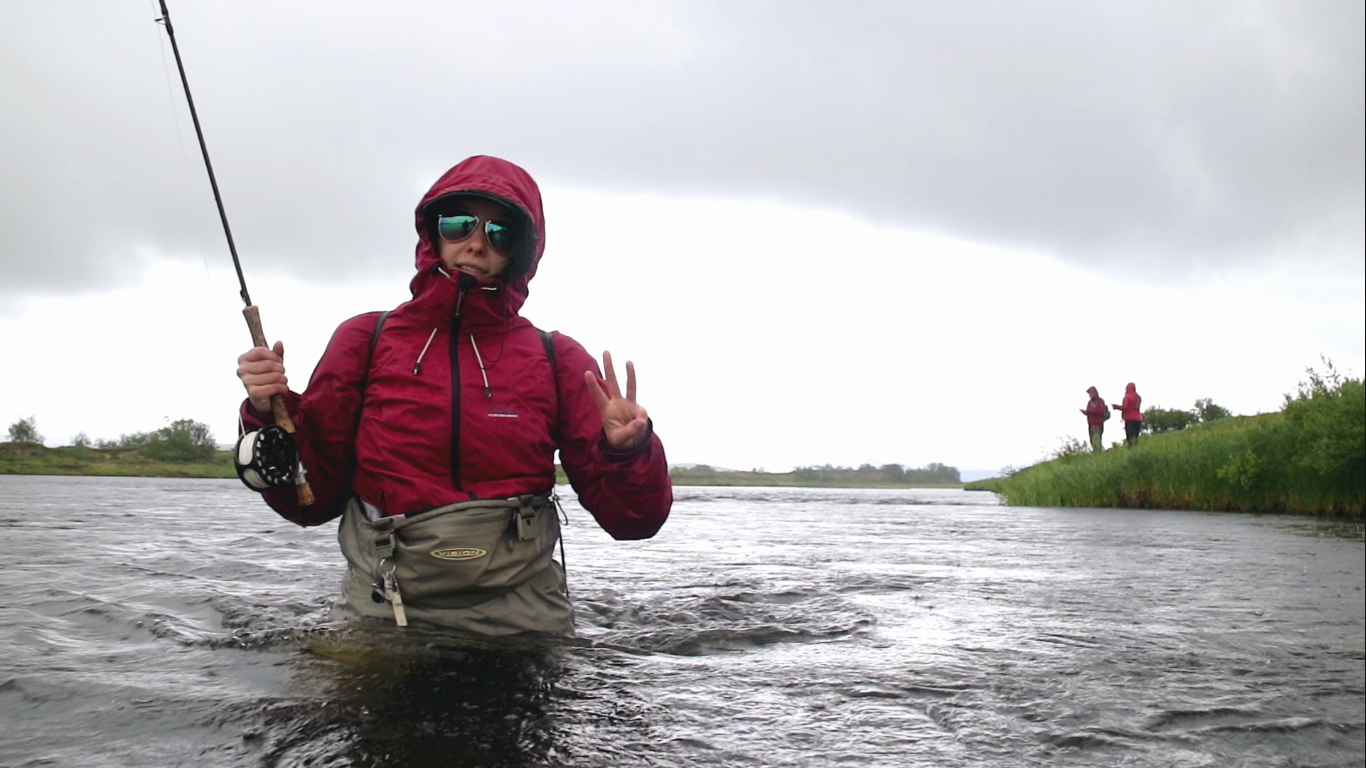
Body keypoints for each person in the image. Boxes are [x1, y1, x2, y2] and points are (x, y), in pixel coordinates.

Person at [234, 155, 672, 636]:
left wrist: (628, 452)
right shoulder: (364, 339)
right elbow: (310, 503)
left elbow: (633, 522)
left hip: (521, 622)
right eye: (460, 223)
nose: (477, 243)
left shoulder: (558, 358)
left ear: (521, 252)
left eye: (500, 233)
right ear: (433, 232)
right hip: (383, 610)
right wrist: (266, 416)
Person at [1112, 382, 1143, 447]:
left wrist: (1116, 407)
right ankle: (1136, 450)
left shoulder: (1127, 397)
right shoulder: (1138, 397)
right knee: (1135, 437)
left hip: (1129, 419)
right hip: (1138, 418)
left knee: (1130, 438)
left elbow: (1125, 408)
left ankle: (1132, 451)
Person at [1080, 386, 1108, 452]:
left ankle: (1098, 455)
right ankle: (1097, 454)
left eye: (1090, 393)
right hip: (1091, 424)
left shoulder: (1099, 401)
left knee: (1096, 441)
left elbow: (1100, 411)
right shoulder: (1090, 402)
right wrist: (1086, 413)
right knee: (1093, 441)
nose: (1089, 395)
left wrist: (1088, 412)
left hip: (1097, 424)